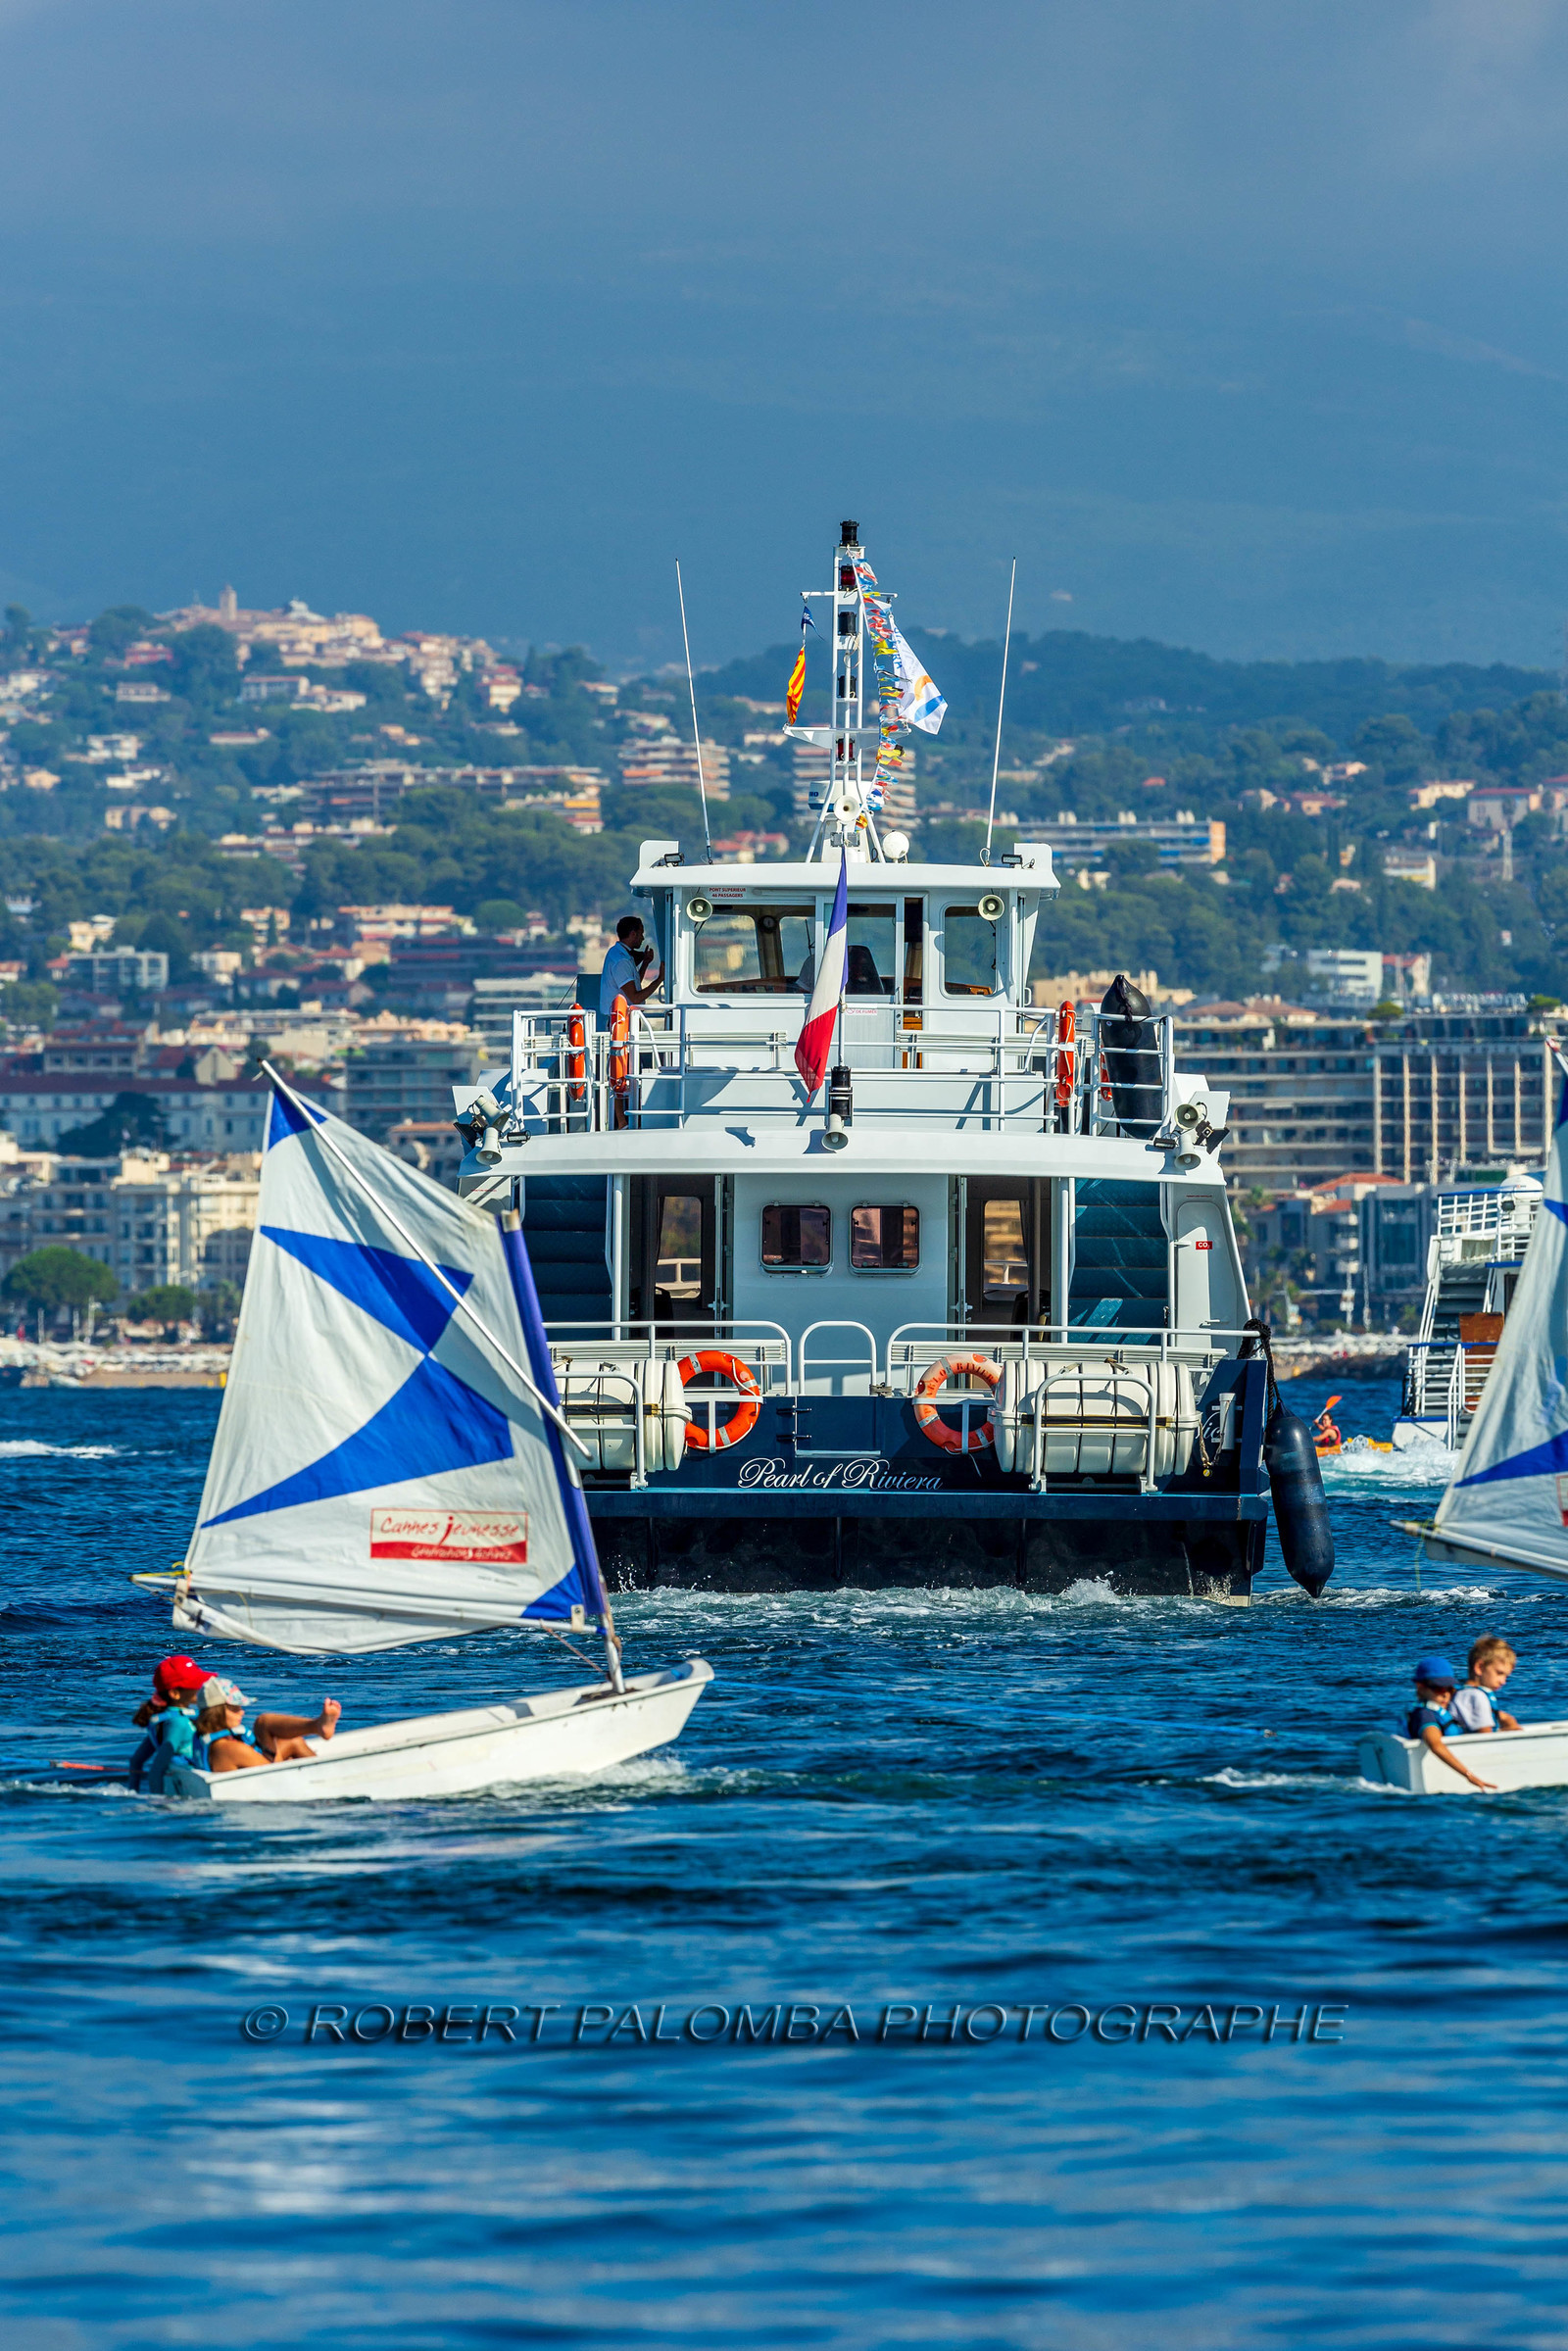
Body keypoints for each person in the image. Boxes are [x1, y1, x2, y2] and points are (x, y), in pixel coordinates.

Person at [192, 1678, 342, 1775]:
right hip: (267, 1780)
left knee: (291, 1739)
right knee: (264, 1722)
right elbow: (272, 1773)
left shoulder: (203, 1736)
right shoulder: (229, 1749)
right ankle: (325, 1773)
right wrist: (288, 1762)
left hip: (257, 1770)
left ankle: (317, 1727)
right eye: (235, 1708)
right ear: (218, 1712)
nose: (242, 1712)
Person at [1405, 1655, 1494, 1791]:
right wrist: (1469, 1775)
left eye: (1450, 1689)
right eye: (1439, 1689)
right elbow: (1435, 1745)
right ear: (1421, 1687)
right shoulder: (1425, 1715)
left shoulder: (1444, 1711)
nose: (1445, 1694)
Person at [127, 1654, 208, 1793]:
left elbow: (136, 1761)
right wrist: (158, 1798)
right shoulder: (179, 1723)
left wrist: (133, 1791)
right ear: (175, 1693)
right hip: (190, 1786)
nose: (201, 1686)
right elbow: (157, 1768)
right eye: (195, 1683)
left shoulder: (163, 1721)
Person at [598, 914, 662, 1028]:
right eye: (641, 934)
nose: (642, 938)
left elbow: (631, 986)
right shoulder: (621, 961)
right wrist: (660, 979)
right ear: (633, 934)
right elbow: (635, 998)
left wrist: (645, 963)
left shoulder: (617, 953)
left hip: (623, 1019)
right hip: (623, 1022)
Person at [1450, 1637, 1520, 1734]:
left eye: (1506, 1676)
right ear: (1480, 1667)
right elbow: (1485, 1736)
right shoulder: (1476, 1696)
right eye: (1499, 1673)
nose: (1503, 1682)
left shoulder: (1466, 1693)